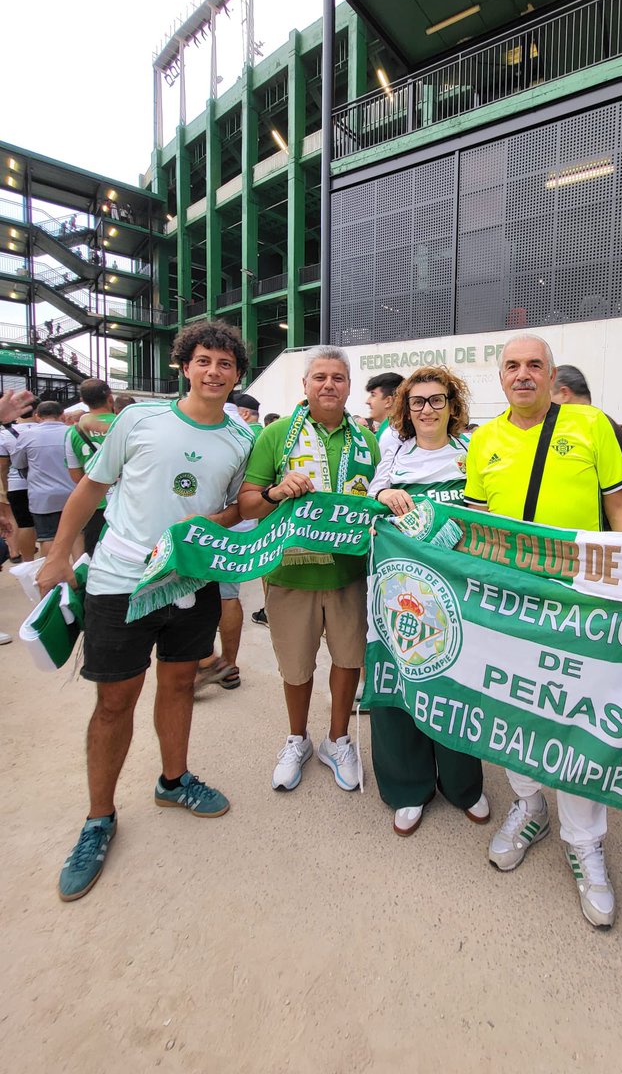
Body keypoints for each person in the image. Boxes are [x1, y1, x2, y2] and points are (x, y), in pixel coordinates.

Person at [38, 320, 255, 902]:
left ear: (237, 375)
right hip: (119, 582)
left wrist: (211, 523)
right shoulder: (138, 419)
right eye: (204, 360)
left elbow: (233, 508)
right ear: (185, 365)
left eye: (226, 364)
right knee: (114, 701)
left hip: (192, 580)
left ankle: (174, 780)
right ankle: (98, 819)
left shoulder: (240, 438)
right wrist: (59, 554)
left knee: (181, 684)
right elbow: (91, 489)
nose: (214, 372)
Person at [465, 334, 622, 928]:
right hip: (511, 603)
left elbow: (618, 509)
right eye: (512, 366)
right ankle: (529, 803)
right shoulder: (483, 440)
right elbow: (479, 528)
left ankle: (586, 843)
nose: (522, 374)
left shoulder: (591, 424)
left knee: (576, 717)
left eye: (533, 365)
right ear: (501, 377)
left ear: (551, 373)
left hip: (578, 602)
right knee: (513, 708)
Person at [238, 345, 380, 794]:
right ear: (305, 385)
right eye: (319, 377)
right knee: (296, 667)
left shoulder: (366, 439)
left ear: (349, 386)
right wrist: (278, 492)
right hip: (290, 574)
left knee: (348, 661)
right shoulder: (277, 434)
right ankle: (296, 738)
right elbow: (247, 502)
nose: (328, 385)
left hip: (348, 574)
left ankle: (337, 740)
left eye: (337, 377)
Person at [368, 366, 489, 835]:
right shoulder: (392, 450)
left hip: (457, 591)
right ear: (405, 408)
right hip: (401, 590)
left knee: (458, 682)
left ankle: (464, 785)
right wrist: (385, 491)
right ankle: (407, 787)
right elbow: (372, 493)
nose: (427, 409)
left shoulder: (472, 451)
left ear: (452, 406)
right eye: (417, 401)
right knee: (402, 679)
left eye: (437, 400)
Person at [11, 401, 74, 553]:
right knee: (77, 535)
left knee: (47, 537)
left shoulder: (27, 436)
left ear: (37, 416)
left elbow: (18, 463)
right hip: (73, 493)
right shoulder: (72, 432)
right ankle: (78, 572)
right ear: (62, 415)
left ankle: (51, 574)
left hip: (42, 496)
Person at [64, 379, 116, 556]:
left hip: (94, 503)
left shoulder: (73, 432)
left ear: (83, 400)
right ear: (110, 399)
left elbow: (76, 475)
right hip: (128, 501)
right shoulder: (125, 425)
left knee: (94, 554)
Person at [0, 399, 38, 563]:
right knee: (47, 527)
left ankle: (23, 558)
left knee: (22, 523)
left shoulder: (5, 434)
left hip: (17, 484)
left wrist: (6, 487)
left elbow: (2, 466)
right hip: (43, 483)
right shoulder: (46, 429)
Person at [365, 372, 402, 461]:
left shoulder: (391, 434)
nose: (367, 401)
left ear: (388, 401)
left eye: (373, 395)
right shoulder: (392, 428)